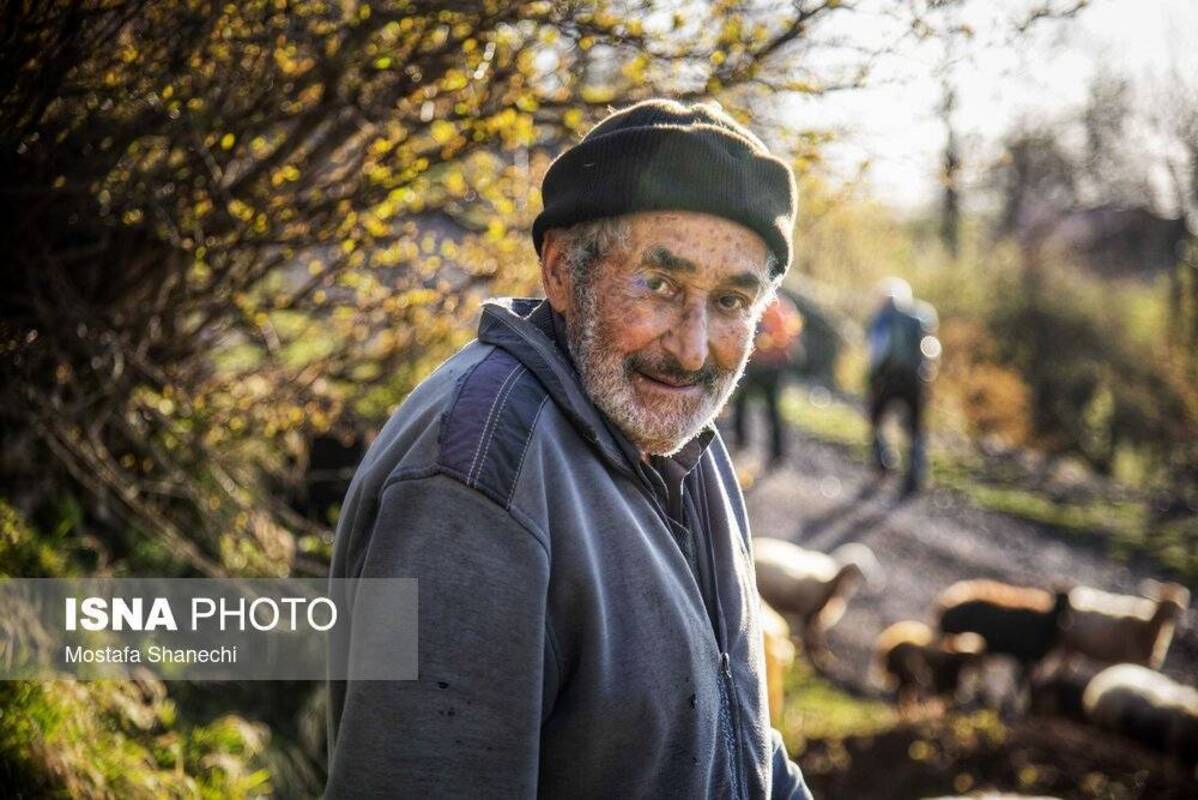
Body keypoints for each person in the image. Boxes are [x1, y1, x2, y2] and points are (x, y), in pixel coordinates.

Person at [325, 99, 813, 799]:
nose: (693, 347)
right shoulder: (472, 483)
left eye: (732, 302)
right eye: (661, 284)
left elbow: (741, 742)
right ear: (561, 271)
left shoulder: (682, 447)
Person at [865, 277, 939, 496]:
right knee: (915, 429)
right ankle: (915, 475)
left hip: (887, 379)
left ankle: (884, 460)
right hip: (916, 380)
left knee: (877, 419)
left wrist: (872, 376)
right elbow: (932, 349)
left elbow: (879, 350)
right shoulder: (922, 315)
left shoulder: (883, 318)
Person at [732, 293, 802, 465]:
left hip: (758, 364)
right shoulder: (786, 307)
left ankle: (742, 443)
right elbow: (794, 336)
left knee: (743, 404)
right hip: (772, 366)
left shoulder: (761, 304)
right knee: (770, 410)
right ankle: (776, 452)